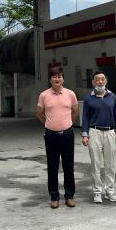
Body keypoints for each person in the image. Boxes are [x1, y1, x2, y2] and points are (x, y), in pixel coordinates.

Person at [36, 68, 79, 209]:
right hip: (51, 135)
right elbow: (39, 113)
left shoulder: (70, 94)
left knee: (68, 166)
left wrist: (68, 124)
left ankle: (69, 196)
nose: (57, 79)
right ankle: (54, 197)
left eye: (59, 76)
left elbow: (75, 111)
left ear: (63, 79)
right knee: (52, 166)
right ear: (50, 80)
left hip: (67, 134)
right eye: (54, 76)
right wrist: (49, 124)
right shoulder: (44, 95)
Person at [81, 71, 116, 203]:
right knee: (95, 164)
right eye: (97, 79)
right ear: (93, 82)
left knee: (110, 164)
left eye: (102, 79)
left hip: (110, 132)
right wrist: (85, 134)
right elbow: (85, 117)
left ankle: (110, 191)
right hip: (94, 132)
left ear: (106, 81)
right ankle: (97, 192)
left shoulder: (112, 97)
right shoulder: (88, 98)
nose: (100, 82)